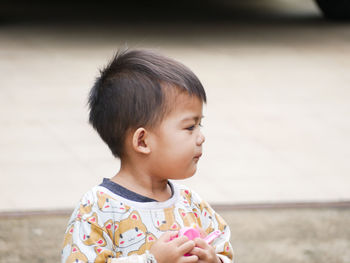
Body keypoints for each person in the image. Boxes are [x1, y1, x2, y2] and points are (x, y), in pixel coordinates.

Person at [61, 49, 234, 263]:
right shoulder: (97, 209)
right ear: (142, 141)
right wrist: (152, 260)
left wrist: (213, 260)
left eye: (200, 124)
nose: (201, 137)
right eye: (190, 127)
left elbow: (223, 248)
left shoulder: (191, 203)